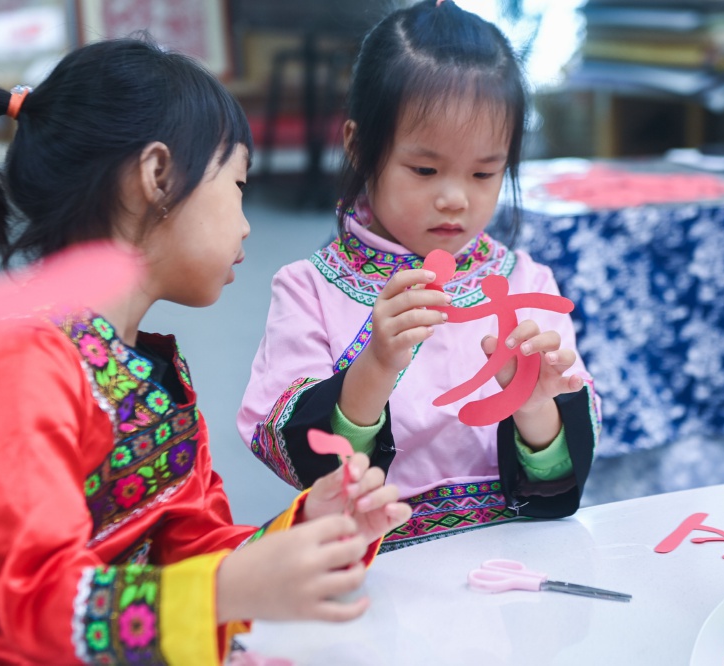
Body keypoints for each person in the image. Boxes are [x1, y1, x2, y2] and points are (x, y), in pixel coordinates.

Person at [0, 37, 410, 665]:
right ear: (157, 176)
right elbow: (38, 602)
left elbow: (193, 553)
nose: (245, 224)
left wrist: (313, 529)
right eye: (237, 185)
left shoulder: (146, 371)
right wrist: (226, 591)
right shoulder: (20, 361)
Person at [237, 0, 601, 552]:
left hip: (512, 557)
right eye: (425, 169)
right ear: (359, 146)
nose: (455, 198)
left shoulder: (527, 283)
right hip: (381, 561)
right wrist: (377, 365)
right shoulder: (309, 288)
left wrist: (531, 404)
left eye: (484, 173)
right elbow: (302, 463)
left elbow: (562, 479)